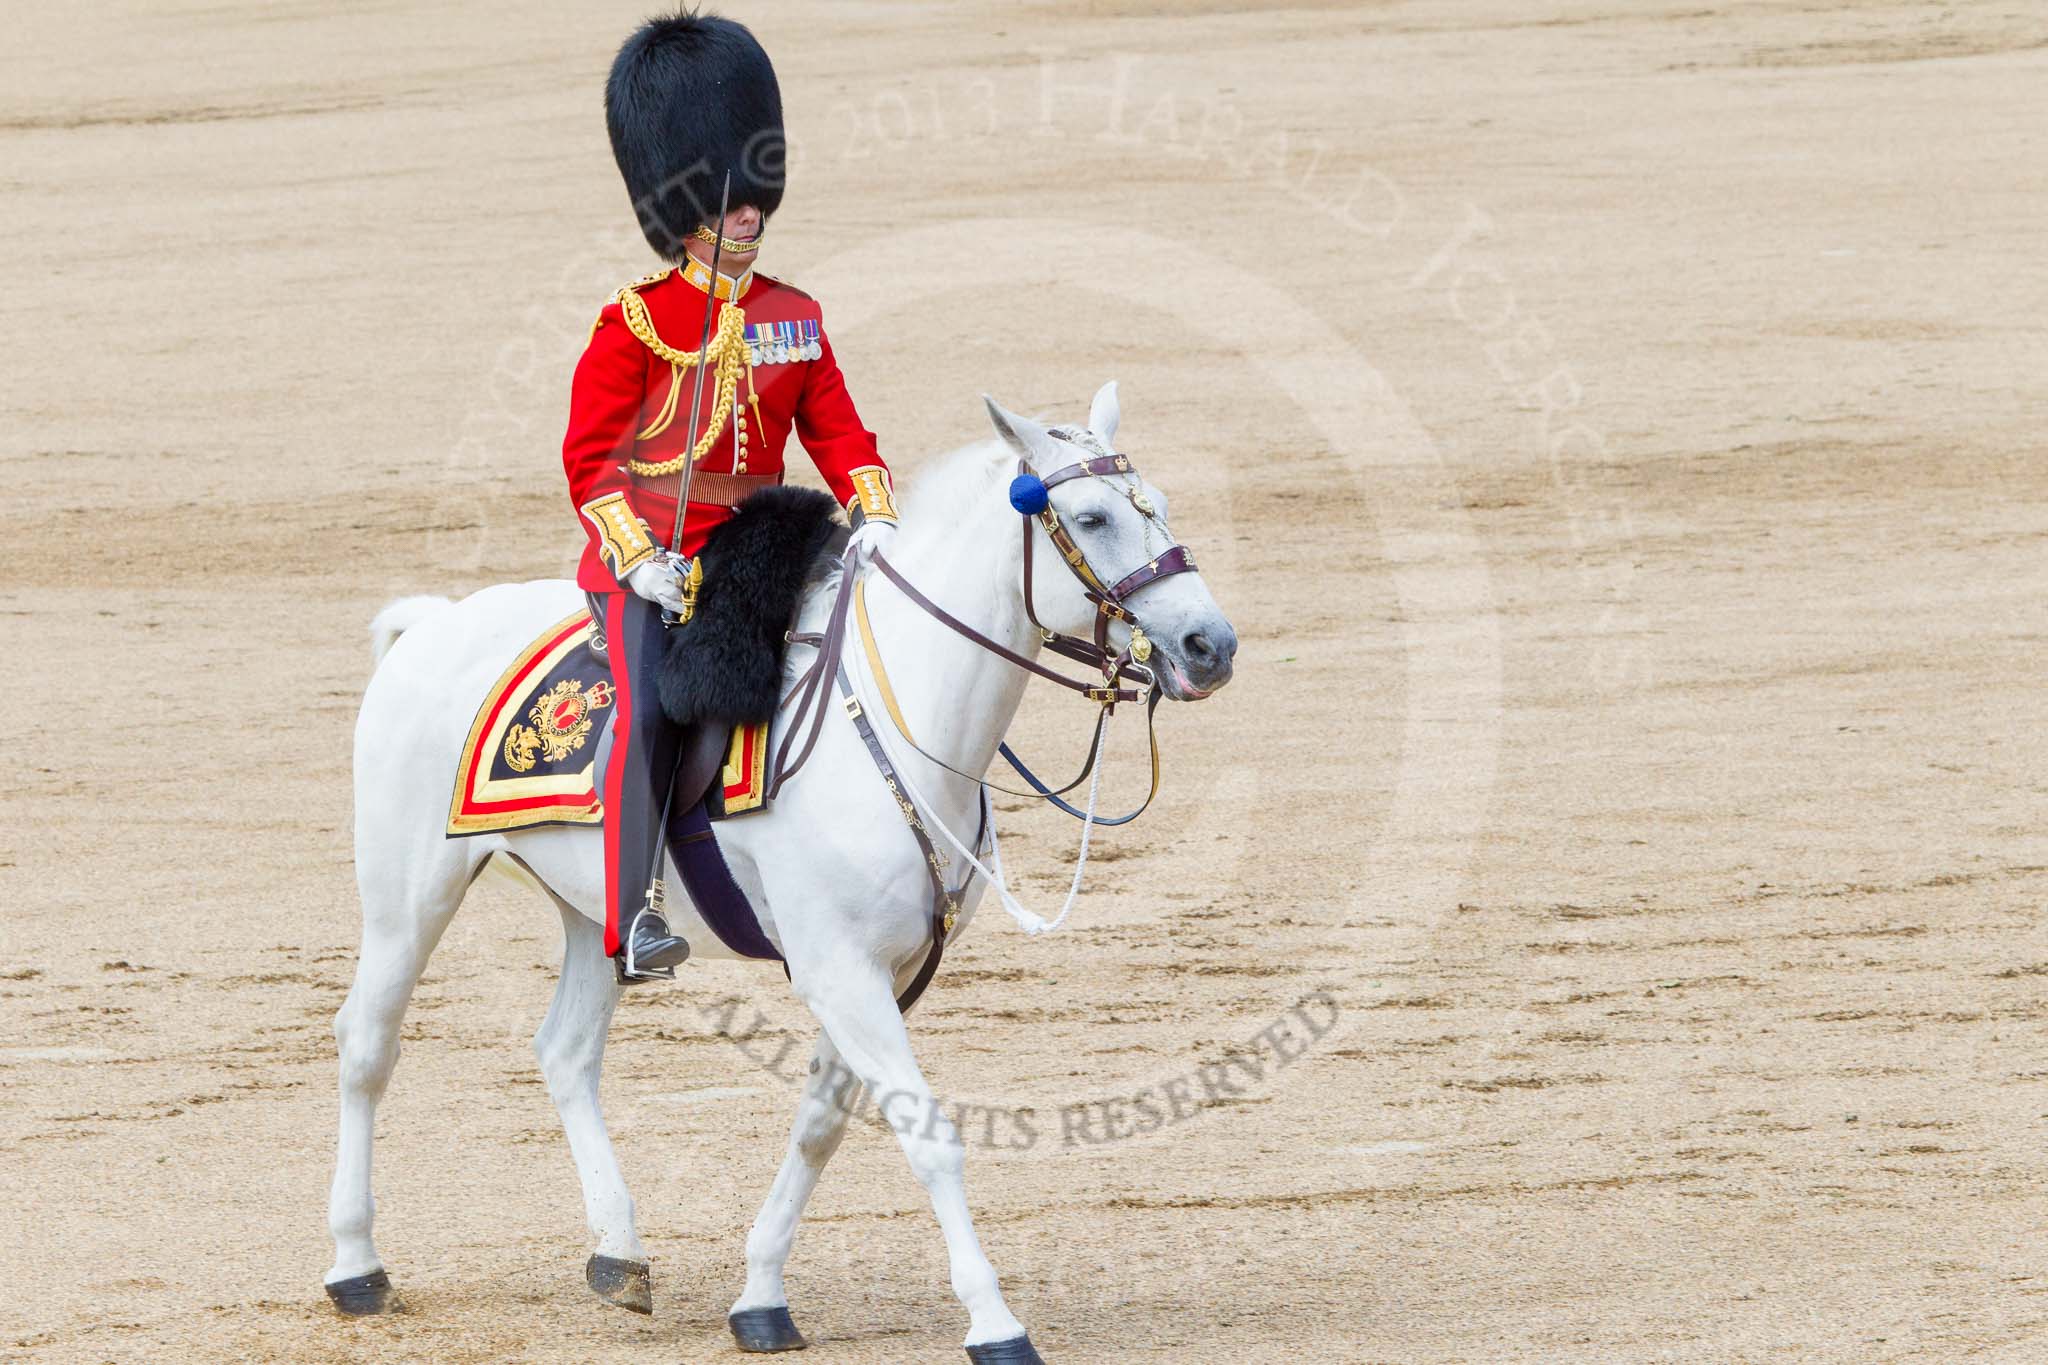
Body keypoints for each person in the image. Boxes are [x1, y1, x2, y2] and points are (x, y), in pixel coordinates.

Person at [563, 11, 899, 982]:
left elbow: (837, 432)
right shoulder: (633, 323)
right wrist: (637, 557)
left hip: (756, 548)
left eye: (755, 194)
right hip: (654, 564)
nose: (746, 212)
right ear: (679, 199)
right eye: (726, 196)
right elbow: (589, 460)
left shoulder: (792, 316)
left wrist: (875, 512)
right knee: (653, 715)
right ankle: (635, 916)